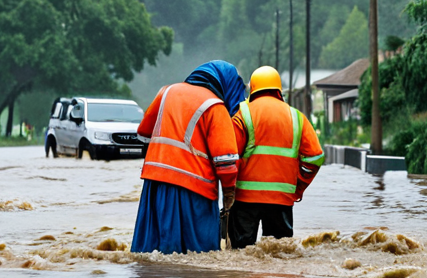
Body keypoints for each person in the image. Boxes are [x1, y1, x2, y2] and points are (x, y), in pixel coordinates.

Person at [131, 60, 246, 254]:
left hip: (154, 184)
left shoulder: (166, 92)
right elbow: (226, 163)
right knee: (197, 256)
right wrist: (229, 195)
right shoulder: (215, 107)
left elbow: (143, 133)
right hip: (193, 190)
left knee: (153, 252)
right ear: (226, 84)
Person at [229, 66, 324, 249]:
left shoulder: (244, 114)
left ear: (253, 89)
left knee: (240, 254)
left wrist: (228, 191)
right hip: (281, 200)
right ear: (279, 90)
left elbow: (231, 156)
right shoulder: (296, 117)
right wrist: (298, 186)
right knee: (279, 253)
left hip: (245, 200)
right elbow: (315, 157)